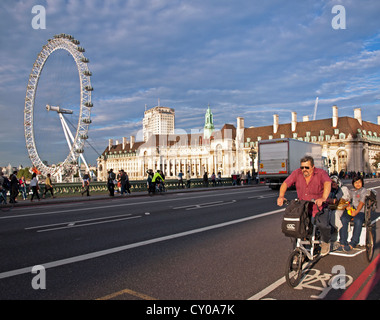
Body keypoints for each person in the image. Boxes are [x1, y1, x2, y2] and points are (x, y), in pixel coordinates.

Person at [277, 155, 332, 256]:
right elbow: (285, 183)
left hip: (319, 206)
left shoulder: (320, 173)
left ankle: (325, 242)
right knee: (297, 228)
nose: (304, 170)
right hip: (304, 207)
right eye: (302, 167)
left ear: (313, 167)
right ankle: (298, 252)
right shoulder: (297, 173)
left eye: (307, 167)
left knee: (322, 225)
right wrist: (281, 196)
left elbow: (327, 183)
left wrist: (323, 198)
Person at [339, 176, 367, 252]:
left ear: (362, 183)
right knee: (343, 219)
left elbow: (361, 202)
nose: (357, 184)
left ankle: (353, 242)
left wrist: (356, 211)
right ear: (353, 184)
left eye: (359, 182)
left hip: (360, 211)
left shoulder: (363, 190)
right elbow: (347, 200)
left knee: (358, 220)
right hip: (351, 209)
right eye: (355, 182)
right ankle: (342, 242)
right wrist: (347, 206)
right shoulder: (351, 191)